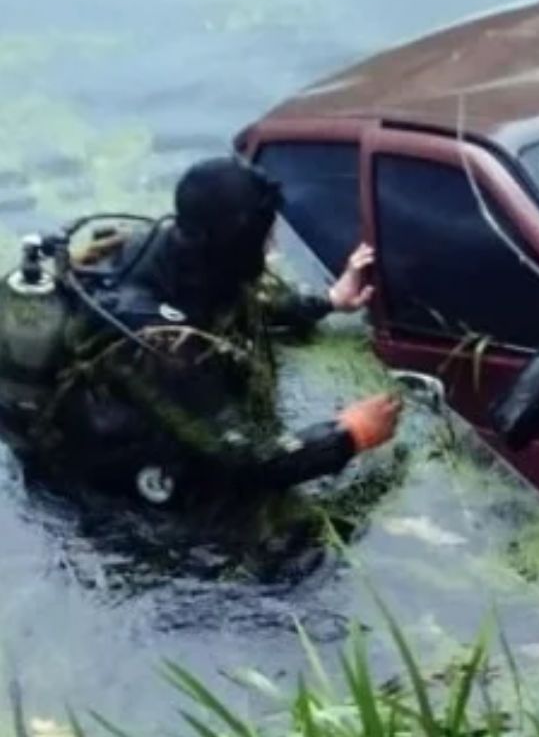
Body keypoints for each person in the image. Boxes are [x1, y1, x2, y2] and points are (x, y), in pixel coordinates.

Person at [4, 156, 402, 505]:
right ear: (237, 245)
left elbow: (236, 296)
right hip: (110, 467)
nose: (272, 245)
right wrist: (348, 435)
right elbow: (243, 460)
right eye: (263, 237)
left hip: (136, 393)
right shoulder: (162, 347)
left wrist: (328, 300)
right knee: (286, 556)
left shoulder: (177, 246)